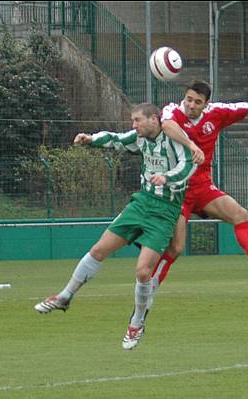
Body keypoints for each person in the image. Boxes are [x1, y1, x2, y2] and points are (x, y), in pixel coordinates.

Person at [34, 103, 197, 350]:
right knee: (99, 250)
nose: (134, 125)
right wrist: (91, 139)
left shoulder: (174, 139)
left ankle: (137, 322)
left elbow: (188, 165)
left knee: (143, 272)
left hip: (165, 211)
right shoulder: (140, 138)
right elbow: (115, 139)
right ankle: (65, 296)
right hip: (141, 203)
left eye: (137, 120)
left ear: (154, 120)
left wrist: (167, 177)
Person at [150, 80, 248, 297]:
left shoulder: (217, 113)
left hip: (203, 187)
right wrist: (191, 145)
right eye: (188, 99)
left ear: (206, 104)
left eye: (197, 102)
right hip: (177, 189)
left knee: (240, 214)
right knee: (176, 247)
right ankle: (147, 288)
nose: (191, 105)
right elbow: (167, 125)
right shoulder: (172, 110)